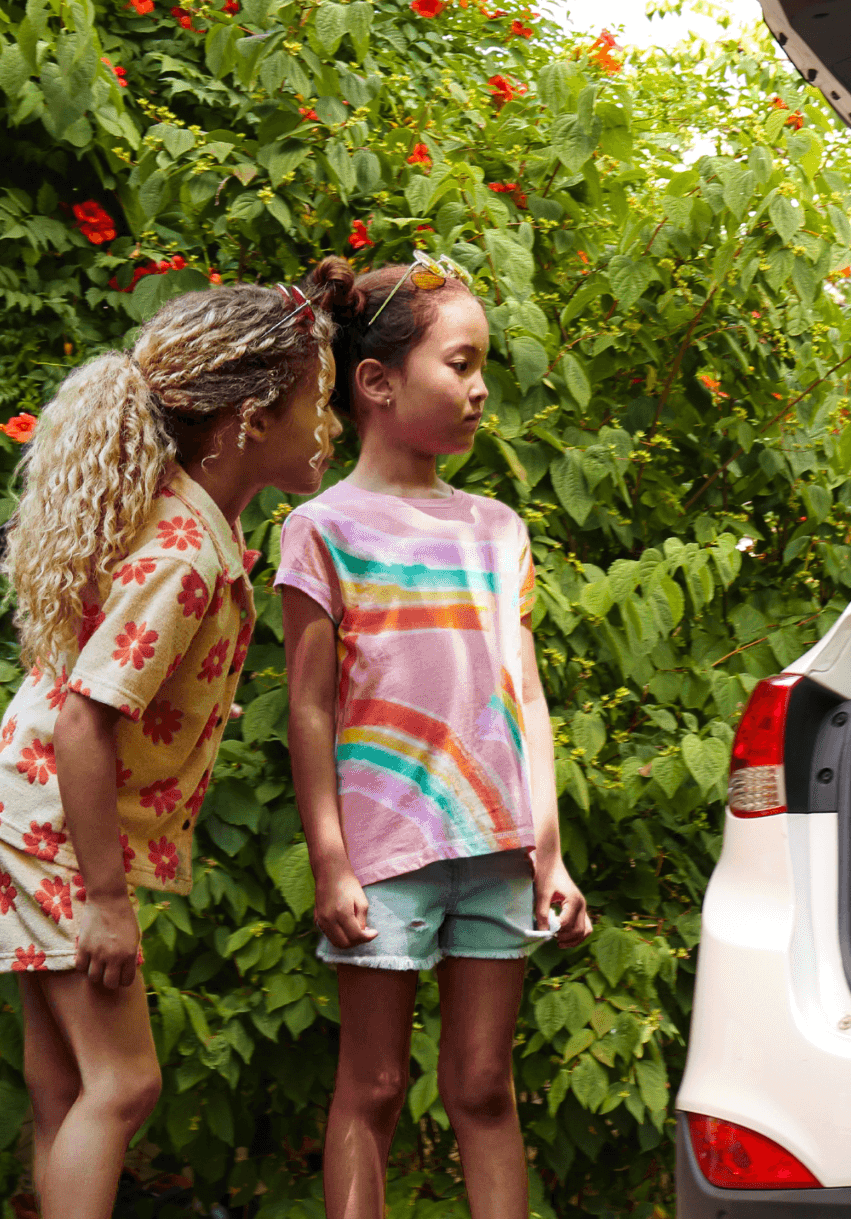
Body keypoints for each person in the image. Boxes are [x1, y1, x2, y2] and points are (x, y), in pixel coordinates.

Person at [0, 278, 340, 1219]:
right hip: (55, 824)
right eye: (316, 403)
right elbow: (88, 719)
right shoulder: (183, 554)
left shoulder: (189, 519)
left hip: (26, 808)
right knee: (125, 1085)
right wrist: (103, 899)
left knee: (68, 1088)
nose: (327, 424)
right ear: (250, 420)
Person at [275, 253, 590, 1219]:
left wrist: (550, 856)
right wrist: (332, 862)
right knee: (369, 1090)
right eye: (460, 364)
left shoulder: (498, 530)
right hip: (386, 857)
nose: (480, 387)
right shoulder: (322, 527)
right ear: (376, 382)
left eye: (482, 365)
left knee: (484, 1089)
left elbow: (524, 694)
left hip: (495, 849)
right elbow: (310, 709)